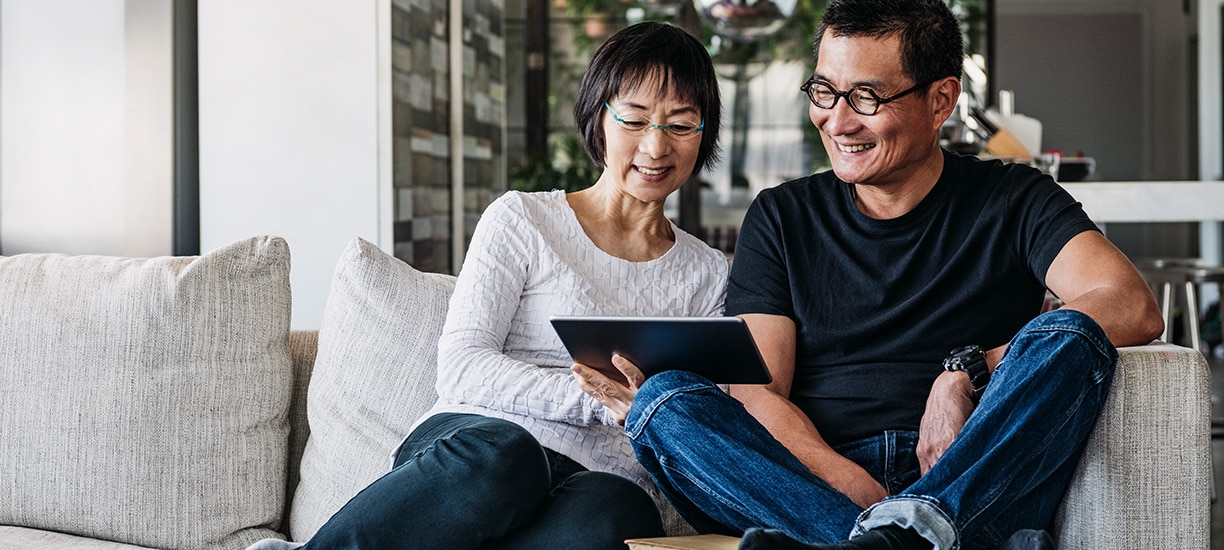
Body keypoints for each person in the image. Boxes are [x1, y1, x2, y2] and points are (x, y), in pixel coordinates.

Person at [572, 1, 1165, 549]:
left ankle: (889, 531)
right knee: (664, 401)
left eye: (867, 98)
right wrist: (848, 483)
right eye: (825, 92)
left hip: (972, 466)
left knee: (1066, 335)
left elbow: (1130, 305)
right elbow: (760, 390)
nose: (837, 121)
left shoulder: (1013, 197)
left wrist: (968, 370)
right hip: (818, 478)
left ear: (940, 101)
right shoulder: (783, 215)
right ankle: (898, 536)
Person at [247, 21, 726, 550]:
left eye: (681, 125)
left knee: (620, 510)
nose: (656, 146)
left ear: (704, 132)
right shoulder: (522, 219)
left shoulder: (707, 274)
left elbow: (696, 406)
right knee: (509, 456)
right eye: (634, 120)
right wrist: (596, 399)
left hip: (593, 480)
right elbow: (462, 365)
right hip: (477, 452)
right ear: (600, 120)